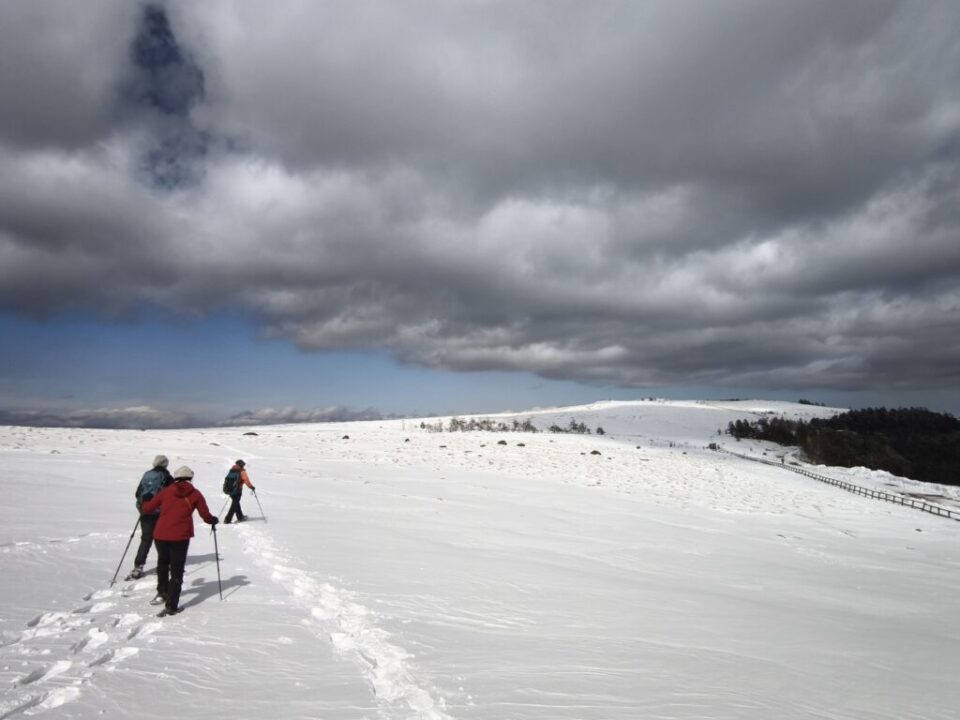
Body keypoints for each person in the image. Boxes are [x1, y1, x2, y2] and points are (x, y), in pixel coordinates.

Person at [140, 465, 218, 616]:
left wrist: (145, 500)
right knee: (177, 569)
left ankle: (162, 593)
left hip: (161, 534)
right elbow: (205, 515)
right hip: (180, 536)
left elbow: (148, 509)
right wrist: (212, 520)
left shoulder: (166, 491)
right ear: (190, 478)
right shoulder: (195, 494)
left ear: (176, 477)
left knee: (162, 563)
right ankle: (172, 605)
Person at [127, 455, 174, 580]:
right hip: (160, 513)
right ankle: (164, 564)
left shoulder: (147, 475)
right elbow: (171, 495)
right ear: (165, 464)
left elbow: (138, 493)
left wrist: (144, 505)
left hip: (145, 511)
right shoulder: (167, 477)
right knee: (163, 539)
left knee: (146, 539)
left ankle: (138, 566)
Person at [223, 459, 255, 524]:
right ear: (241, 465)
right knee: (234, 504)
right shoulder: (242, 472)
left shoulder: (232, 470)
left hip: (230, 490)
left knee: (236, 503)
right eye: (243, 465)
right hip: (237, 491)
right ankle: (227, 519)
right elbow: (246, 481)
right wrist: (251, 487)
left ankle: (240, 517)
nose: (244, 466)